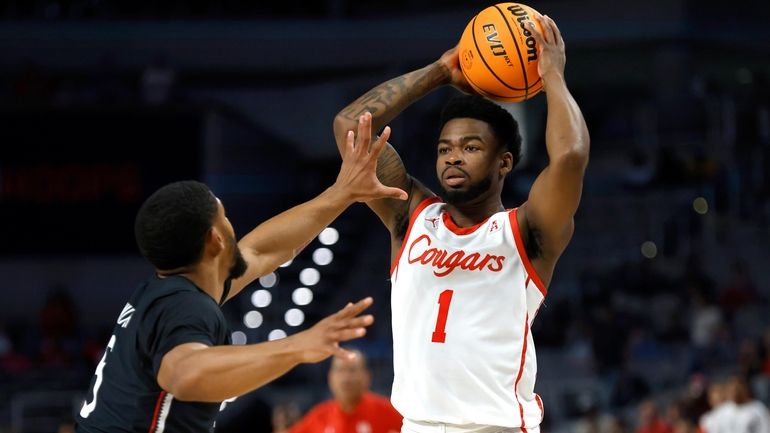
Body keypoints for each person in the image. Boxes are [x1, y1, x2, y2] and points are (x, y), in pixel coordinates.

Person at [332, 14, 588, 433]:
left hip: (496, 427)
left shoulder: (525, 231)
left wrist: (552, 76)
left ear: (503, 162)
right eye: (444, 148)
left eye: (470, 147)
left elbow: (571, 158)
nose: (453, 157)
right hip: (416, 425)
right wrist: (439, 72)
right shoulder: (410, 215)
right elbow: (349, 126)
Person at [75, 115, 408, 433]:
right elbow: (183, 373)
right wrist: (299, 346)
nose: (232, 225)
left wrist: (342, 193)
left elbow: (265, 250)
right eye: (224, 216)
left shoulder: (167, 289)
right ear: (215, 239)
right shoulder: (186, 308)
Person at [287, 349, 402, 433]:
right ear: (330, 377)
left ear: (367, 376)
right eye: (340, 370)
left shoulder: (389, 411)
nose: (346, 378)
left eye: (352, 370)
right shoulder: (318, 416)